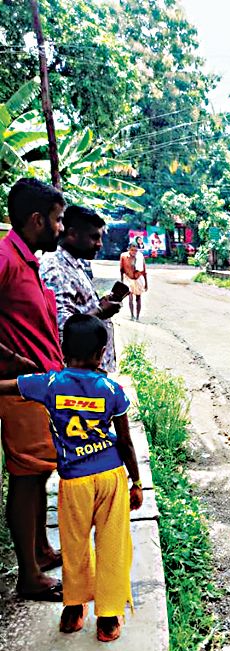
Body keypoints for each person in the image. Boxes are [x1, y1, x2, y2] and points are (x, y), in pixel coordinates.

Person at [0, 314, 144, 641]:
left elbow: (8, 387)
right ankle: (107, 619)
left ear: (64, 349)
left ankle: (73, 610)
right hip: (110, 477)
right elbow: (125, 442)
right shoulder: (112, 390)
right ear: (100, 353)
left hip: (74, 481)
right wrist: (135, 482)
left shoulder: (49, 384)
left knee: (75, 544)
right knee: (112, 544)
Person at [0, 177, 65, 601]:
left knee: (38, 473)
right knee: (25, 478)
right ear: (37, 220)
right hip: (20, 391)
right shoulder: (4, 258)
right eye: (58, 221)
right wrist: (7, 355)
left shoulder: (27, 261)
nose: (61, 228)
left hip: (39, 389)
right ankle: (28, 575)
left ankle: (40, 549)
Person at [40, 205, 123, 373]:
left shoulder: (73, 263)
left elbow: (77, 309)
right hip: (78, 376)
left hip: (90, 372)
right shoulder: (55, 268)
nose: (99, 244)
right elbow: (64, 328)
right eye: (94, 237)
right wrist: (100, 311)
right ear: (72, 234)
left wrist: (100, 305)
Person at [120, 242, 147, 321]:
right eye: (132, 250)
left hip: (138, 279)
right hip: (128, 279)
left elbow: (144, 271)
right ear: (129, 249)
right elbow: (121, 269)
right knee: (130, 297)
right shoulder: (124, 256)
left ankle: (137, 316)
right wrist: (122, 282)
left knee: (138, 298)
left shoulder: (140, 257)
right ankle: (132, 315)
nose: (134, 252)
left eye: (135, 250)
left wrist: (146, 284)